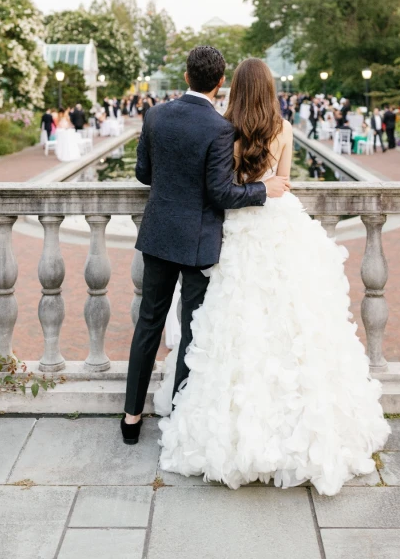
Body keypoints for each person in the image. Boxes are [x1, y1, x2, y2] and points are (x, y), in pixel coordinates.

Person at [156, 58, 390, 495]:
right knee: (293, 320)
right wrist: (267, 187)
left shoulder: (223, 127)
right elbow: (282, 184)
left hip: (236, 229)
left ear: (233, 88)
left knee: (232, 320)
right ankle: (298, 426)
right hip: (278, 226)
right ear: (270, 88)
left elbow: (220, 187)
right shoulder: (283, 129)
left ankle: (234, 427)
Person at [121, 47, 290, 445]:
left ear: (185, 76)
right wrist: (263, 189)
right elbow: (221, 193)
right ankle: (179, 416)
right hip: (198, 241)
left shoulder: (156, 115)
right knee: (192, 329)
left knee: (148, 323)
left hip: (159, 234)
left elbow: (143, 173)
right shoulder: (219, 129)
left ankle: (131, 417)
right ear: (219, 82)